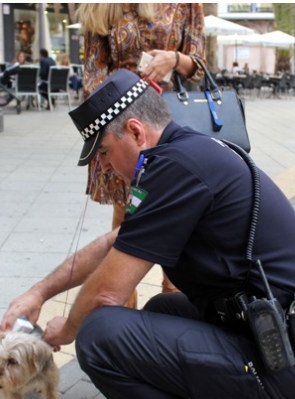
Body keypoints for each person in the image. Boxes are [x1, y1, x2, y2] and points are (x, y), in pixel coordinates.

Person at [1, 69, 295, 399]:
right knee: (161, 310)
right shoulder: (184, 154)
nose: (101, 166)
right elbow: (113, 243)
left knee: (99, 335)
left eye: (103, 152)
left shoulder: (174, 168)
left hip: (291, 361)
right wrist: (39, 293)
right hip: (284, 341)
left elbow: (108, 294)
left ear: (135, 132)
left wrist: (68, 328)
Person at [76, 3, 204, 305]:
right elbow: (93, 75)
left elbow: (199, 67)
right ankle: (120, 319)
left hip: (169, 128)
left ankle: (174, 324)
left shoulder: (186, 5)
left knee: (178, 225)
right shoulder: (101, 6)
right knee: (126, 230)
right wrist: (126, 94)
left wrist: (174, 59)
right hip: (123, 133)